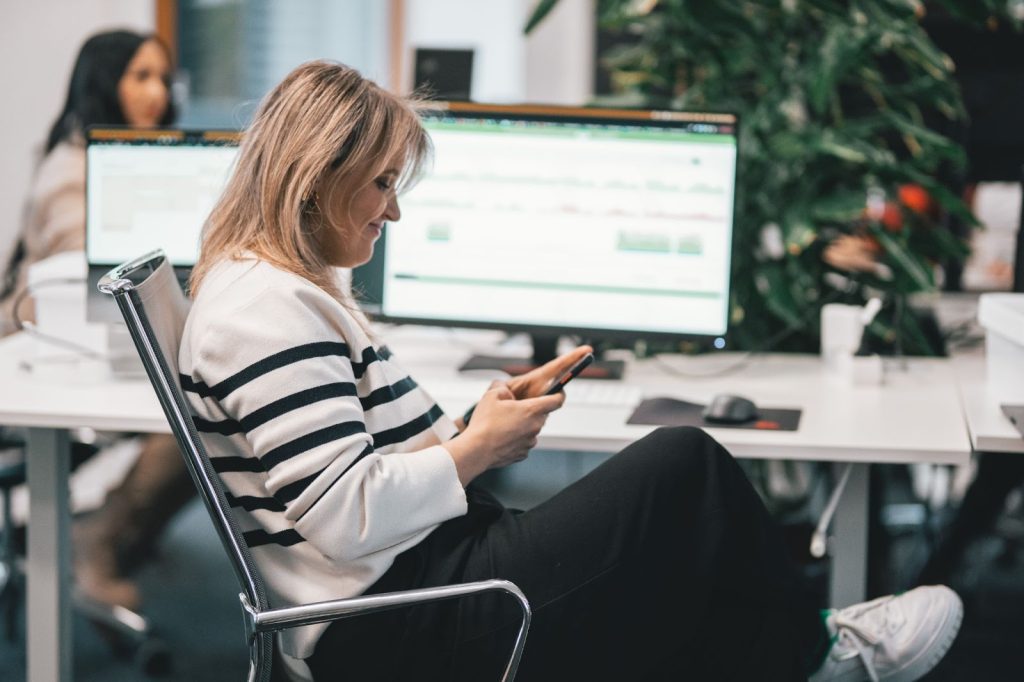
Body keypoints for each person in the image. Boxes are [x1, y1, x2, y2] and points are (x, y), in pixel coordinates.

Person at [181, 60, 964, 682]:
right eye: (383, 183)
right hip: (402, 621)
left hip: (418, 580)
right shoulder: (265, 308)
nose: (393, 211)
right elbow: (343, 516)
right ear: (317, 176)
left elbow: (348, 474)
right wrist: (476, 449)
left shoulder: (268, 289)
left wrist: (470, 424)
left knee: (682, 548)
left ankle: (802, 656)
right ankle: (822, 653)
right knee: (684, 466)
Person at [0, 30, 194, 612]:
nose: (157, 92)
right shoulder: (71, 169)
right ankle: (101, 545)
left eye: (162, 77)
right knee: (191, 421)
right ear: (103, 82)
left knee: (209, 406)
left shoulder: (145, 157)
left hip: (112, 346)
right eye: (140, 76)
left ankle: (121, 534)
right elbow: (86, 280)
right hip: (51, 353)